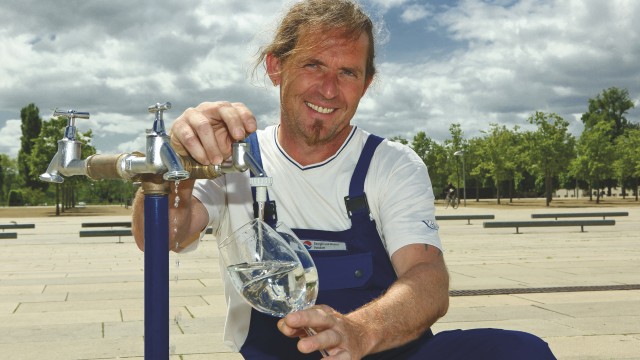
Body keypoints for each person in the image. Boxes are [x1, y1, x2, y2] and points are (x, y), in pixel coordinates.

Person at [132, 0, 556, 358]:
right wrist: (179, 164)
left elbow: (428, 277)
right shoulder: (232, 161)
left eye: (348, 72)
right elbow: (159, 237)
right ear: (276, 66)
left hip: (387, 349)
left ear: (366, 83)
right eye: (314, 65)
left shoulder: (391, 164)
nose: (329, 90)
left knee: (521, 350)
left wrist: (359, 330)